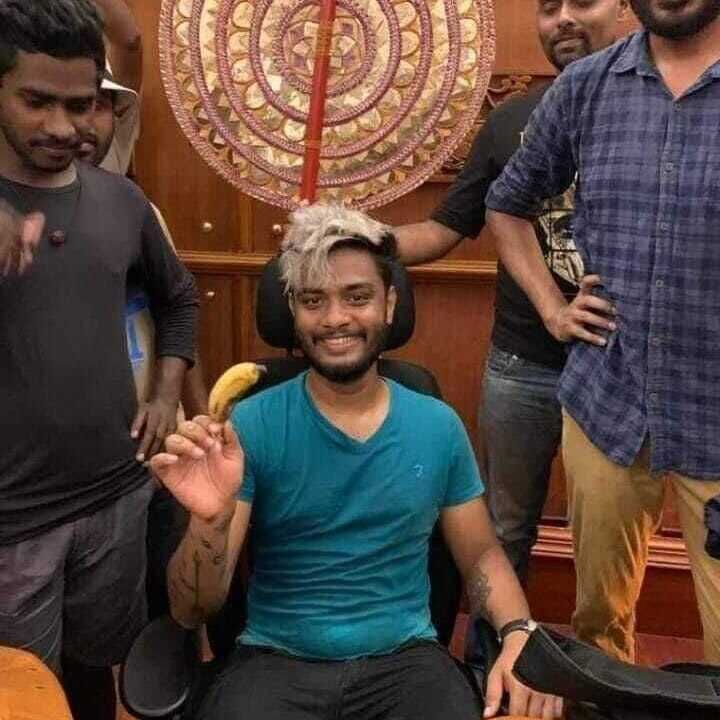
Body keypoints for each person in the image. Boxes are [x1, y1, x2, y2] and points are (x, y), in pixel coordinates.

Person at [151, 204, 563, 720]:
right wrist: (209, 522)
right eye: (313, 300)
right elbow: (192, 610)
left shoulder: (436, 425)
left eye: (357, 297)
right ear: (293, 310)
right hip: (275, 660)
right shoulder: (248, 426)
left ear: (389, 304)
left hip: (406, 663)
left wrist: (519, 631)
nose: (335, 319)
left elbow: (480, 554)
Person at [485, 0, 720, 664]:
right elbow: (506, 204)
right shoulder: (586, 85)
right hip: (607, 403)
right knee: (598, 623)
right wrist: (552, 309)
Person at [0, 4, 199, 720]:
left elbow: (180, 301)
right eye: (36, 102)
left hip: (117, 497)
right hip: (12, 523)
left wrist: (166, 393)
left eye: (80, 105)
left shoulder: (122, 200)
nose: (62, 127)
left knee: (94, 676)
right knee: (21, 694)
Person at [391, 0, 629, 585]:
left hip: (620, 368)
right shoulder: (510, 121)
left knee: (610, 539)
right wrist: (344, 234)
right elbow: (443, 230)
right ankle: (495, 638)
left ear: (624, 7)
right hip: (523, 364)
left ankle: (600, 644)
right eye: (548, 9)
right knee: (504, 527)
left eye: (583, 2)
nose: (563, 19)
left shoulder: (659, 114)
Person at [76, 68, 208, 619]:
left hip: (158, 455)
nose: (84, 125)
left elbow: (177, 307)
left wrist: (183, 410)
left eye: (99, 106)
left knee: (165, 605)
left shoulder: (134, 208)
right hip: (61, 475)